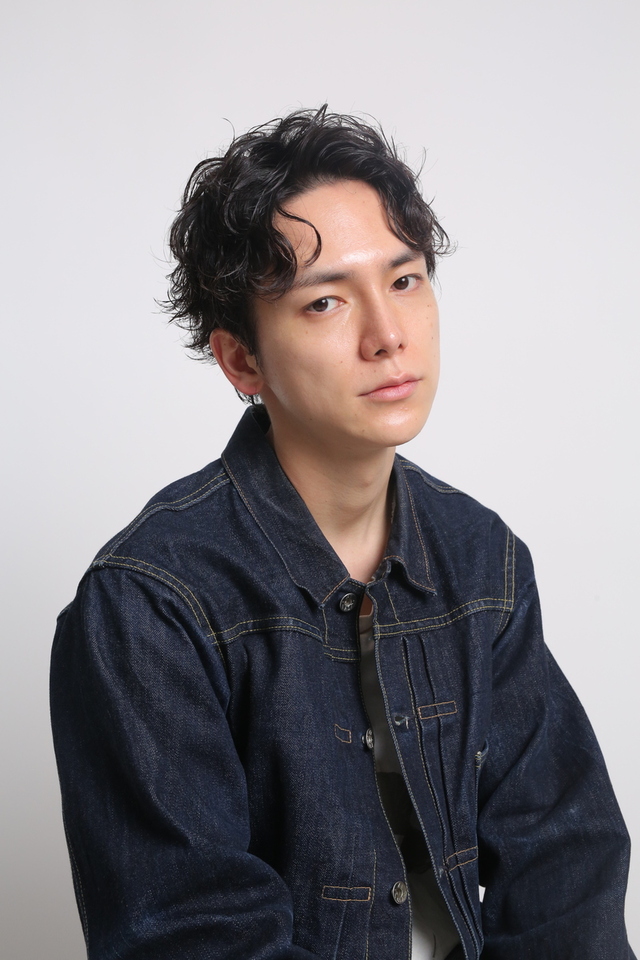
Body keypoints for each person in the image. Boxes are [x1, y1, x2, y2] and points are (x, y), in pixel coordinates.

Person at [50, 107, 635, 960]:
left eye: (405, 280)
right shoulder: (150, 603)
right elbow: (192, 933)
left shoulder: (482, 558)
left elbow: (565, 863)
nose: (388, 335)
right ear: (242, 360)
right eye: (325, 301)